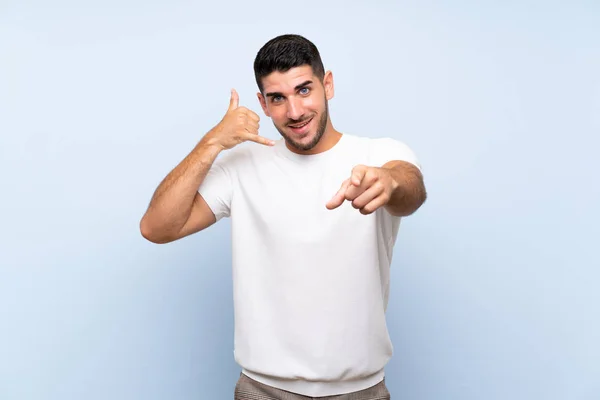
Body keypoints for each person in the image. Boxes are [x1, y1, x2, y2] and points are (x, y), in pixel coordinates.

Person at [140, 34, 427, 399]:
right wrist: (212, 142)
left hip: (361, 391)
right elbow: (156, 228)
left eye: (304, 90)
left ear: (328, 85)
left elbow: (410, 189)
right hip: (262, 390)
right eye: (278, 98)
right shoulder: (241, 167)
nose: (294, 112)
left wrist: (389, 181)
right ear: (262, 103)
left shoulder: (378, 153)